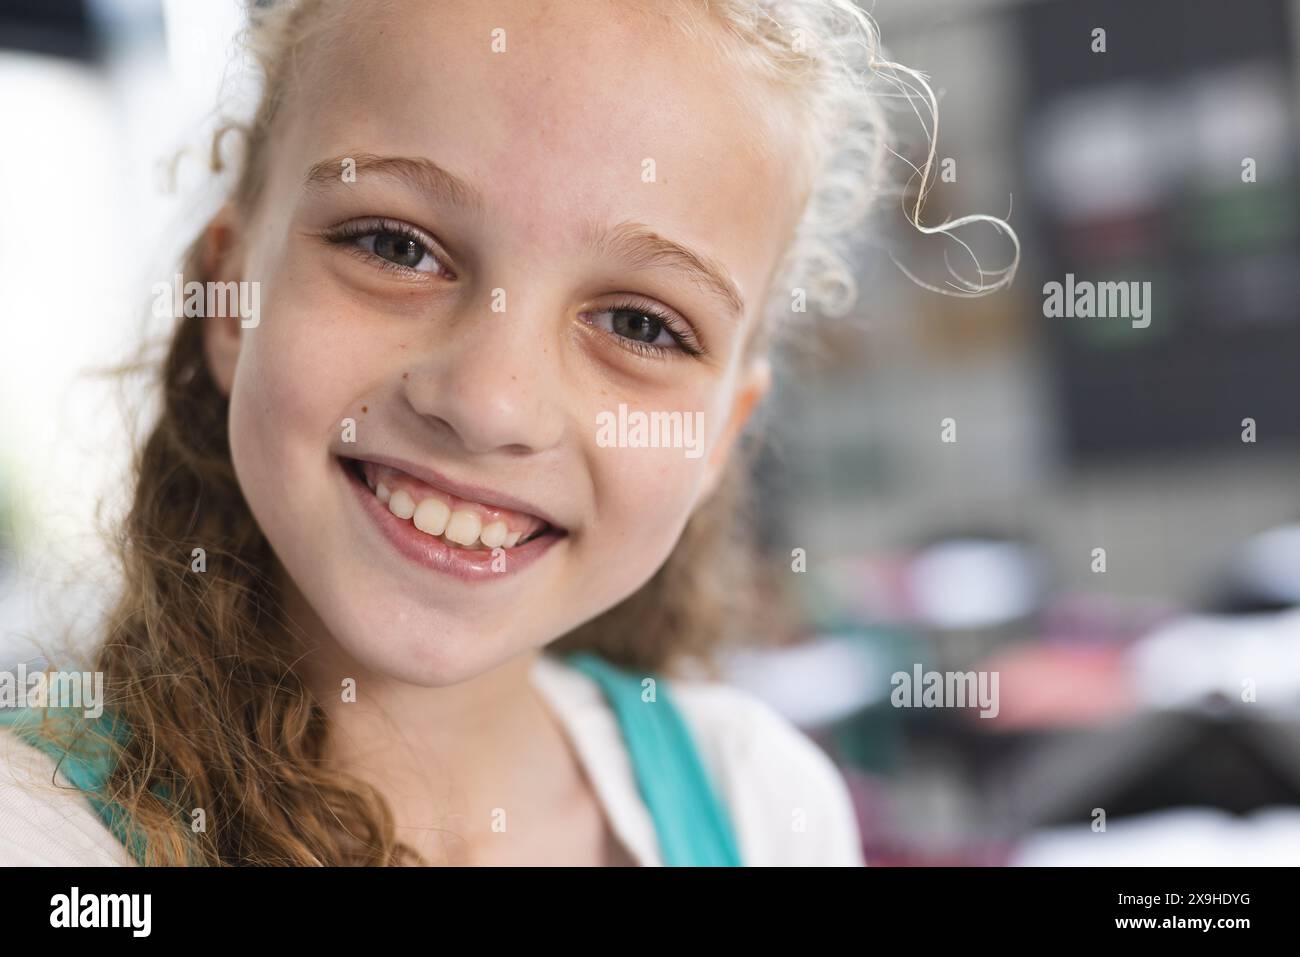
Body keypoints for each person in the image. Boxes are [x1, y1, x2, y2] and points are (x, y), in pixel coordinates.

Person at [0, 0, 1013, 866]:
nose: (489, 402)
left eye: (638, 325)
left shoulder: (761, 804)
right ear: (228, 297)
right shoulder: (40, 832)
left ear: (718, 440)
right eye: (396, 247)